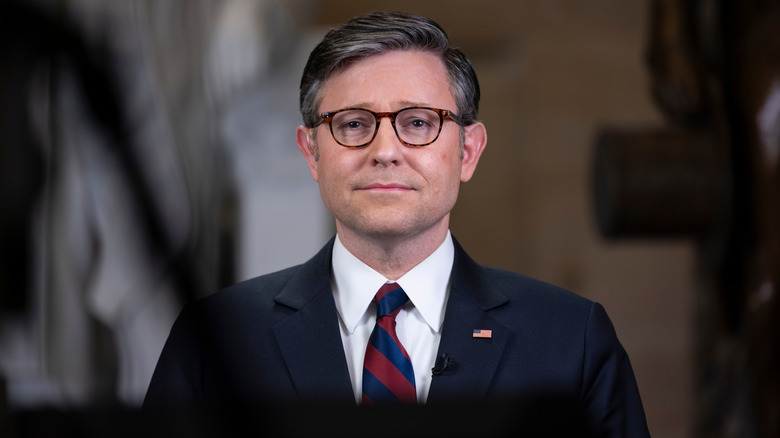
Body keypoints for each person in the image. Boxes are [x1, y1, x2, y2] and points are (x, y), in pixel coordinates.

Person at [144, 11, 650, 437]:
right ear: (311, 152)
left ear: (468, 152)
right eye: (353, 124)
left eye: (418, 123)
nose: (385, 151)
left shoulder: (573, 341)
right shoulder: (211, 339)